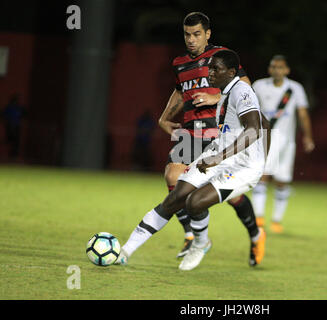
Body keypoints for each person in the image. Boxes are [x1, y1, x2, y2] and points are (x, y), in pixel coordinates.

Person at [116, 50, 267, 271]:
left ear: (232, 72)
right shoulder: (225, 91)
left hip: (242, 165)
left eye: (216, 69)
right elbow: (264, 122)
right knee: (175, 197)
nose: (210, 73)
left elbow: (254, 130)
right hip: (218, 151)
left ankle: (200, 242)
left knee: (194, 202)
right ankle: (125, 251)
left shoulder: (242, 91)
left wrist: (254, 162)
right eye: (210, 67)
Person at [157, 12, 263, 259]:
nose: (191, 39)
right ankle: (192, 236)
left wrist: (216, 97)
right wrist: (163, 118)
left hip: (219, 133)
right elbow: (179, 92)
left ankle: (255, 235)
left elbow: (245, 85)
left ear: (207, 34)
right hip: (191, 131)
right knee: (172, 176)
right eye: (187, 34)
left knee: (232, 196)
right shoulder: (179, 63)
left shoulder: (221, 57)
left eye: (196, 34)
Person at [251, 55, 315, 233]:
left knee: (282, 180)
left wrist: (308, 136)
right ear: (269, 69)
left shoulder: (295, 88)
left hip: (287, 142)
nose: (277, 70)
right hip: (266, 137)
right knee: (263, 175)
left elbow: (302, 114)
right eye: (273, 67)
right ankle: (259, 217)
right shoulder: (259, 86)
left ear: (287, 70)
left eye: (280, 67)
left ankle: (277, 220)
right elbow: (250, 110)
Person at [2, 94, 26, 159]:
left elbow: (23, 115)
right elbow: (4, 115)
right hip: (10, 125)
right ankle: (10, 153)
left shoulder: (18, 108)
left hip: (16, 126)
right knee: (10, 139)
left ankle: (14, 153)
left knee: (16, 141)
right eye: (15, 100)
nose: (16, 102)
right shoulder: (9, 108)